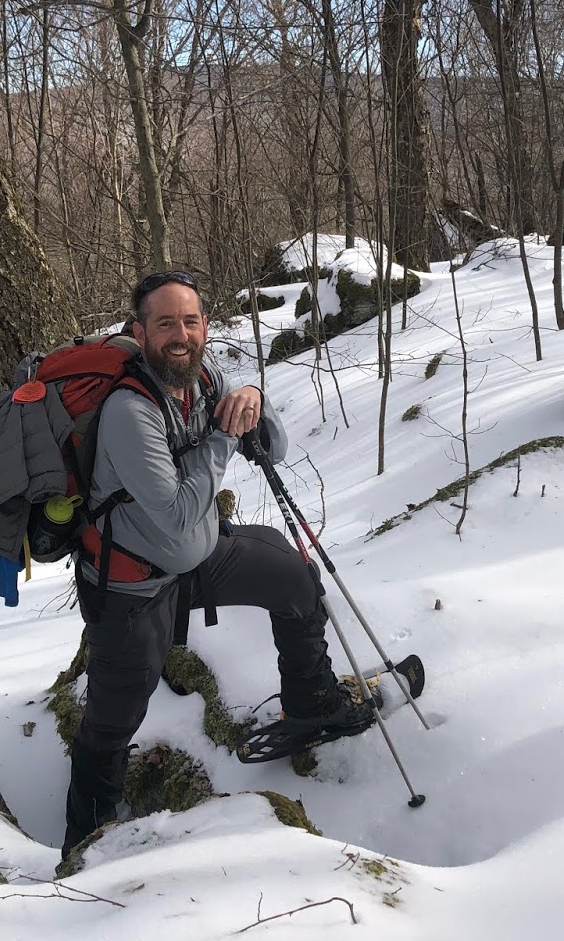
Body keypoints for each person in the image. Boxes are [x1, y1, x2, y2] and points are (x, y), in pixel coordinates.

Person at [64, 268, 371, 857]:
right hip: (132, 588)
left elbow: (274, 448)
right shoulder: (131, 411)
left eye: (190, 321)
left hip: (199, 556)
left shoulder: (205, 378)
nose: (181, 334)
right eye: (165, 324)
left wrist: (254, 398)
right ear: (140, 330)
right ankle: (86, 841)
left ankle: (312, 705)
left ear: (204, 325)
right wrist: (224, 439)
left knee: (295, 578)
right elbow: (178, 514)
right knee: (112, 721)